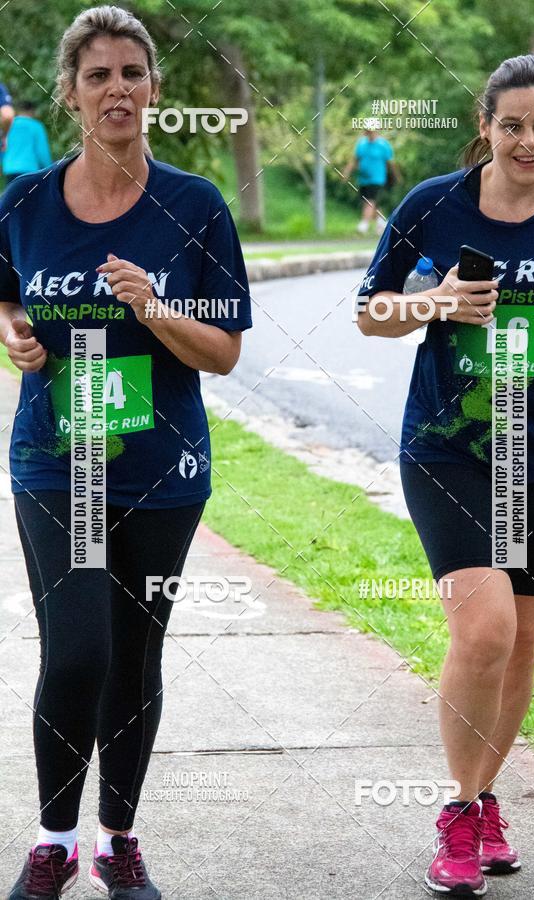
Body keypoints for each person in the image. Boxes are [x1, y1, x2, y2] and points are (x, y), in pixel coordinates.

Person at [0, 5, 251, 899]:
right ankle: (54, 840)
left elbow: (224, 353)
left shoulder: (195, 206)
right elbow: (7, 296)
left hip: (160, 471)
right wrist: (15, 332)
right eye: (98, 75)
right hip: (57, 461)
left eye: (132, 74)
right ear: (69, 94)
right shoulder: (24, 202)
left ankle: (117, 840)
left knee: (136, 657)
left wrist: (154, 308)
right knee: (77, 652)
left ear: (154, 88)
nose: (117, 89)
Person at [357, 54, 534, 897]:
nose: (529, 141)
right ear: (485, 126)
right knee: (486, 631)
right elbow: (370, 313)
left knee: (523, 643)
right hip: (450, 449)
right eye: (512, 125)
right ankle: (459, 813)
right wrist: (436, 302)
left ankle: (484, 799)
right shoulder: (433, 204)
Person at [343, 126, 396, 235]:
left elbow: (390, 163)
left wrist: (395, 176)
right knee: (369, 202)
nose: (368, 133)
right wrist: (346, 172)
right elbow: (355, 160)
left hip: (377, 179)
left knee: (370, 201)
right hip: (363, 179)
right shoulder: (361, 144)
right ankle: (382, 222)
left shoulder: (383, 145)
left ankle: (364, 224)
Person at [2, 99, 52, 182]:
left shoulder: (9, 126)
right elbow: (42, 152)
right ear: (32, 111)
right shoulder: (36, 126)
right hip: (29, 170)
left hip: (10, 169)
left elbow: (3, 147)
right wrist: (48, 169)